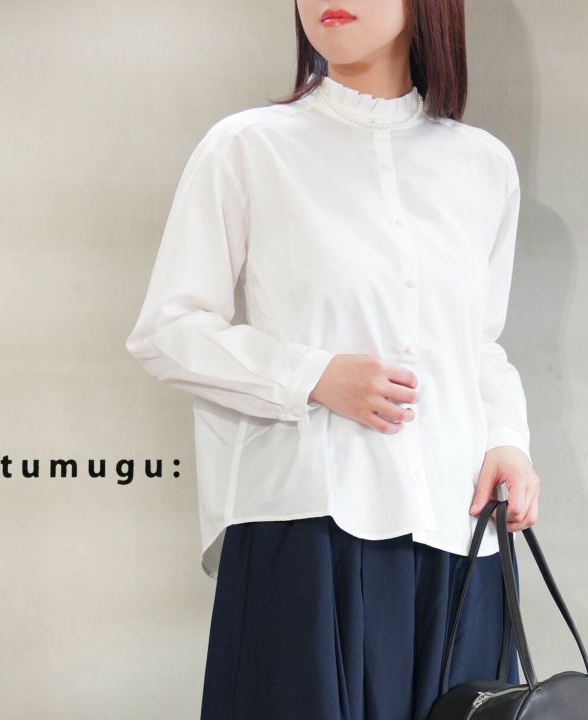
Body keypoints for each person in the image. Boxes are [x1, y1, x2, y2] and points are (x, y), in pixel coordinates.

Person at [125, 0, 542, 717]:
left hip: (459, 533)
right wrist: (313, 376)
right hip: (310, 525)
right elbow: (167, 330)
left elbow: (478, 342)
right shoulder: (248, 148)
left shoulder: (483, 165)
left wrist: (508, 439)